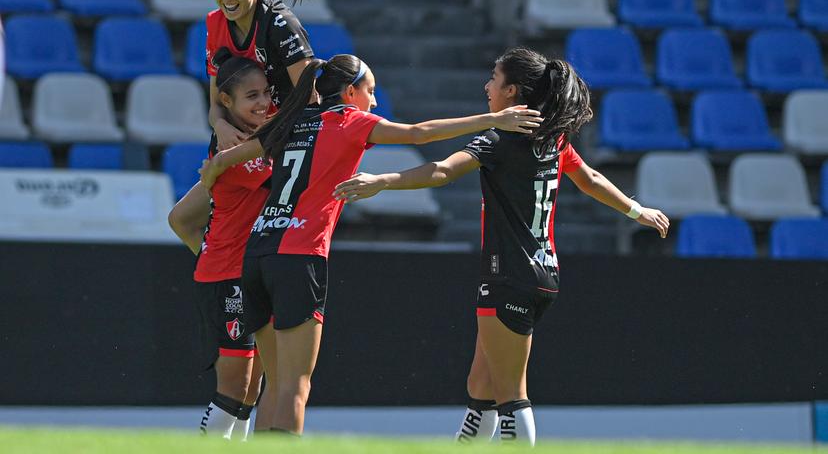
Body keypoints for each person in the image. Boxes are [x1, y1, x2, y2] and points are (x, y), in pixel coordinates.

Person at [333, 48, 670, 445]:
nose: (487, 85)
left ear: (511, 91)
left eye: (494, 78)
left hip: (510, 273)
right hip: (541, 273)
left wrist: (382, 181)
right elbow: (590, 178)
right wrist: (636, 210)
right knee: (481, 386)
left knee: (512, 394)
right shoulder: (551, 137)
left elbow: (441, 171)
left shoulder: (499, 139)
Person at [198, 54, 544, 435]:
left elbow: (230, 157)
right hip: (298, 257)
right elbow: (420, 133)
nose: (375, 102)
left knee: (276, 385)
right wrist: (493, 120)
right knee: (295, 388)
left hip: (258, 254)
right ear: (350, 92)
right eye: (371, 91)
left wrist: (212, 169)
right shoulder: (351, 121)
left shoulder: (292, 121)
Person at [168, 0, 336, 254]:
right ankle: (230, 278)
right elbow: (217, 101)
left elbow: (310, 100)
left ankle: (237, 281)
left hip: (282, 148)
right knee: (182, 220)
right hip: (237, 149)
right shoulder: (215, 24)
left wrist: (259, 144)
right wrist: (220, 126)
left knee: (257, 245)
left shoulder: (279, 24)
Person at [186, 51, 273, 440]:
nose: (264, 103)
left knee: (252, 386)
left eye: (267, 93)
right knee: (235, 384)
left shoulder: (254, 138)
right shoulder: (235, 151)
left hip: (243, 273)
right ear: (226, 103)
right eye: (251, 96)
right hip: (227, 275)